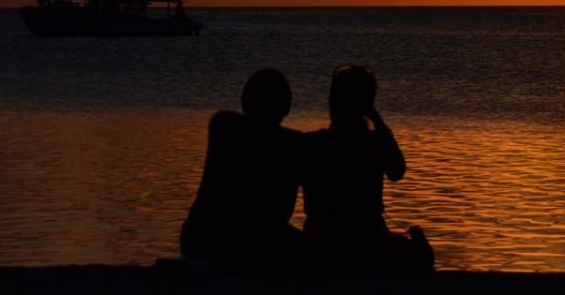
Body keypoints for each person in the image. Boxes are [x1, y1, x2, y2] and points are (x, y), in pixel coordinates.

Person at [301, 64, 434, 272]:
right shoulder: (375, 143)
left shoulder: (311, 143)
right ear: (367, 105)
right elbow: (397, 171)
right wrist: (378, 120)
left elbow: (397, 171)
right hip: (369, 241)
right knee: (418, 252)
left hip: (321, 240)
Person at [180, 69, 304, 271]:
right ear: (286, 108)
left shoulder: (223, 128)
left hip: (200, 236)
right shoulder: (296, 144)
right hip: (243, 242)